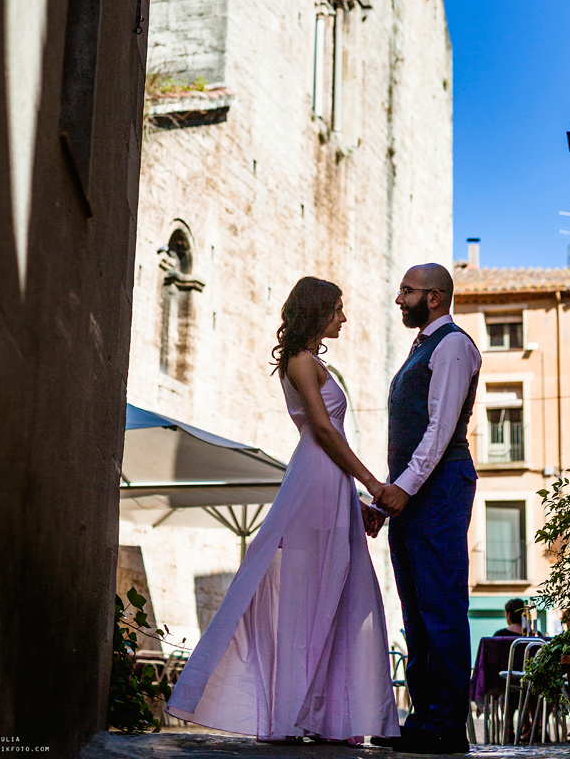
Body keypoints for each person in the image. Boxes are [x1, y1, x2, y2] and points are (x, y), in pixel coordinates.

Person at [166, 276, 400, 743]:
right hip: (317, 478)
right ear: (316, 312)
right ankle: (294, 714)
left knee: (340, 589)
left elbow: (328, 441)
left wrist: (355, 499)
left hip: (326, 482)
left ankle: (328, 716)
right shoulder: (300, 361)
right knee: (309, 593)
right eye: (337, 309)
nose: (344, 317)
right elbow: (324, 431)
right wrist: (373, 483)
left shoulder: (308, 361)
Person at [372, 263, 481, 755]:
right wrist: (392, 496)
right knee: (415, 608)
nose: (400, 299)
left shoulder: (453, 345)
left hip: (440, 488)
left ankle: (447, 723)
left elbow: (439, 430)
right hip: (417, 493)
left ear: (435, 297)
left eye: (407, 291)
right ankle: (424, 715)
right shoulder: (423, 348)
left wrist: (403, 490)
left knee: (441, 604)